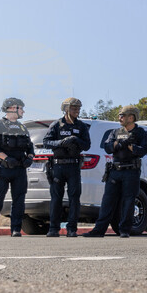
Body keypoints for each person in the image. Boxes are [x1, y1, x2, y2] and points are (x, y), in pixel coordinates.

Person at [84, 106, 147, 238]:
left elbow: (143, 150)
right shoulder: (115, 132)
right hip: (115, 171)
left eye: (123, 116)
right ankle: (99, 230)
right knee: (107, 201)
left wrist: (131, 146)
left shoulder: (140, 132)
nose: (120, 118)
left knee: (128, 201)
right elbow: (108, 147)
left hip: (131, 171)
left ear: (131, 117)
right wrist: (120, 143)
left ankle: (124, 230)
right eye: (120, 115)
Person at [42, 97, 91, 237]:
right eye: (74, 108)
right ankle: (53, 229)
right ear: (66, 109)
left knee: (74, 198)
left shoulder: (81, 126)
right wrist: (61, 143)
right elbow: (46, 142)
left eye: (78, 109)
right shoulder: (56, 125)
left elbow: (87, 145)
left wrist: (76, 140)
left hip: (74, 166)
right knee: (56, 198)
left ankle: (71, 229)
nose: (76, 111)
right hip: (58, 167)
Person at [0, 97, 34, 237]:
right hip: (3, 168)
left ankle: (16, 229)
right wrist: (5, 158)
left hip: (19, 169)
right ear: (12, 108)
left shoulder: (22, 127)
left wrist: (30, 158)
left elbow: (30, 147)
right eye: (21, 108)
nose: (23, 111)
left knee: (19, 200)